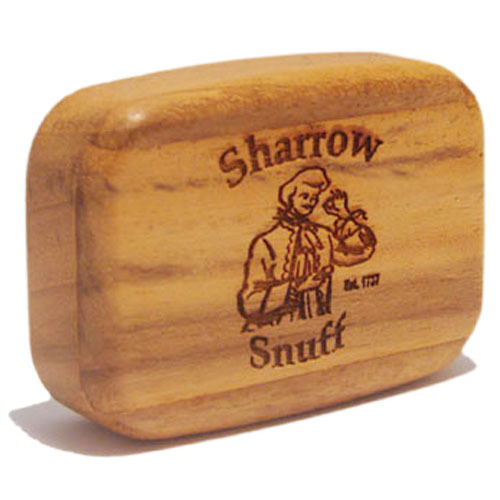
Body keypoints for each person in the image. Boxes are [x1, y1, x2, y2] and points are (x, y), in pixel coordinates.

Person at [237, 166, 376, 331]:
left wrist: (344, 214)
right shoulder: (267, 242)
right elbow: (249, 304)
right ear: (291, 197)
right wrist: (295, 288)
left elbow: (362, 252)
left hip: (323, 328)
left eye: (314, 198)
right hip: (278, 333)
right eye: (304, 196)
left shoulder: (322, 236)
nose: (310, 202)